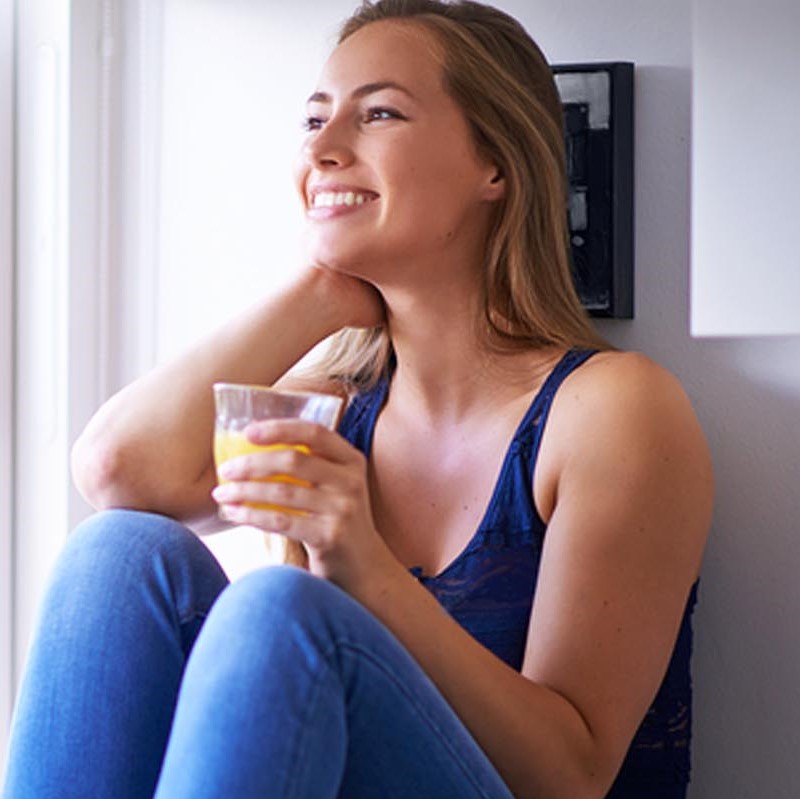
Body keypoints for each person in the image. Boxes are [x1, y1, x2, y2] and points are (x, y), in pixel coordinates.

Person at [2, 1, 713, 797]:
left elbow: (573, 776)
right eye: (314, 120)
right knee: (119, 552)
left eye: (378, 113)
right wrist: (318, 292)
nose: (322, 148)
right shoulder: (335, 410)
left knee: (279, 611)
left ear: (496, 166)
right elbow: (115, 470)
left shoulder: (611, 410)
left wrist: (367, 571)